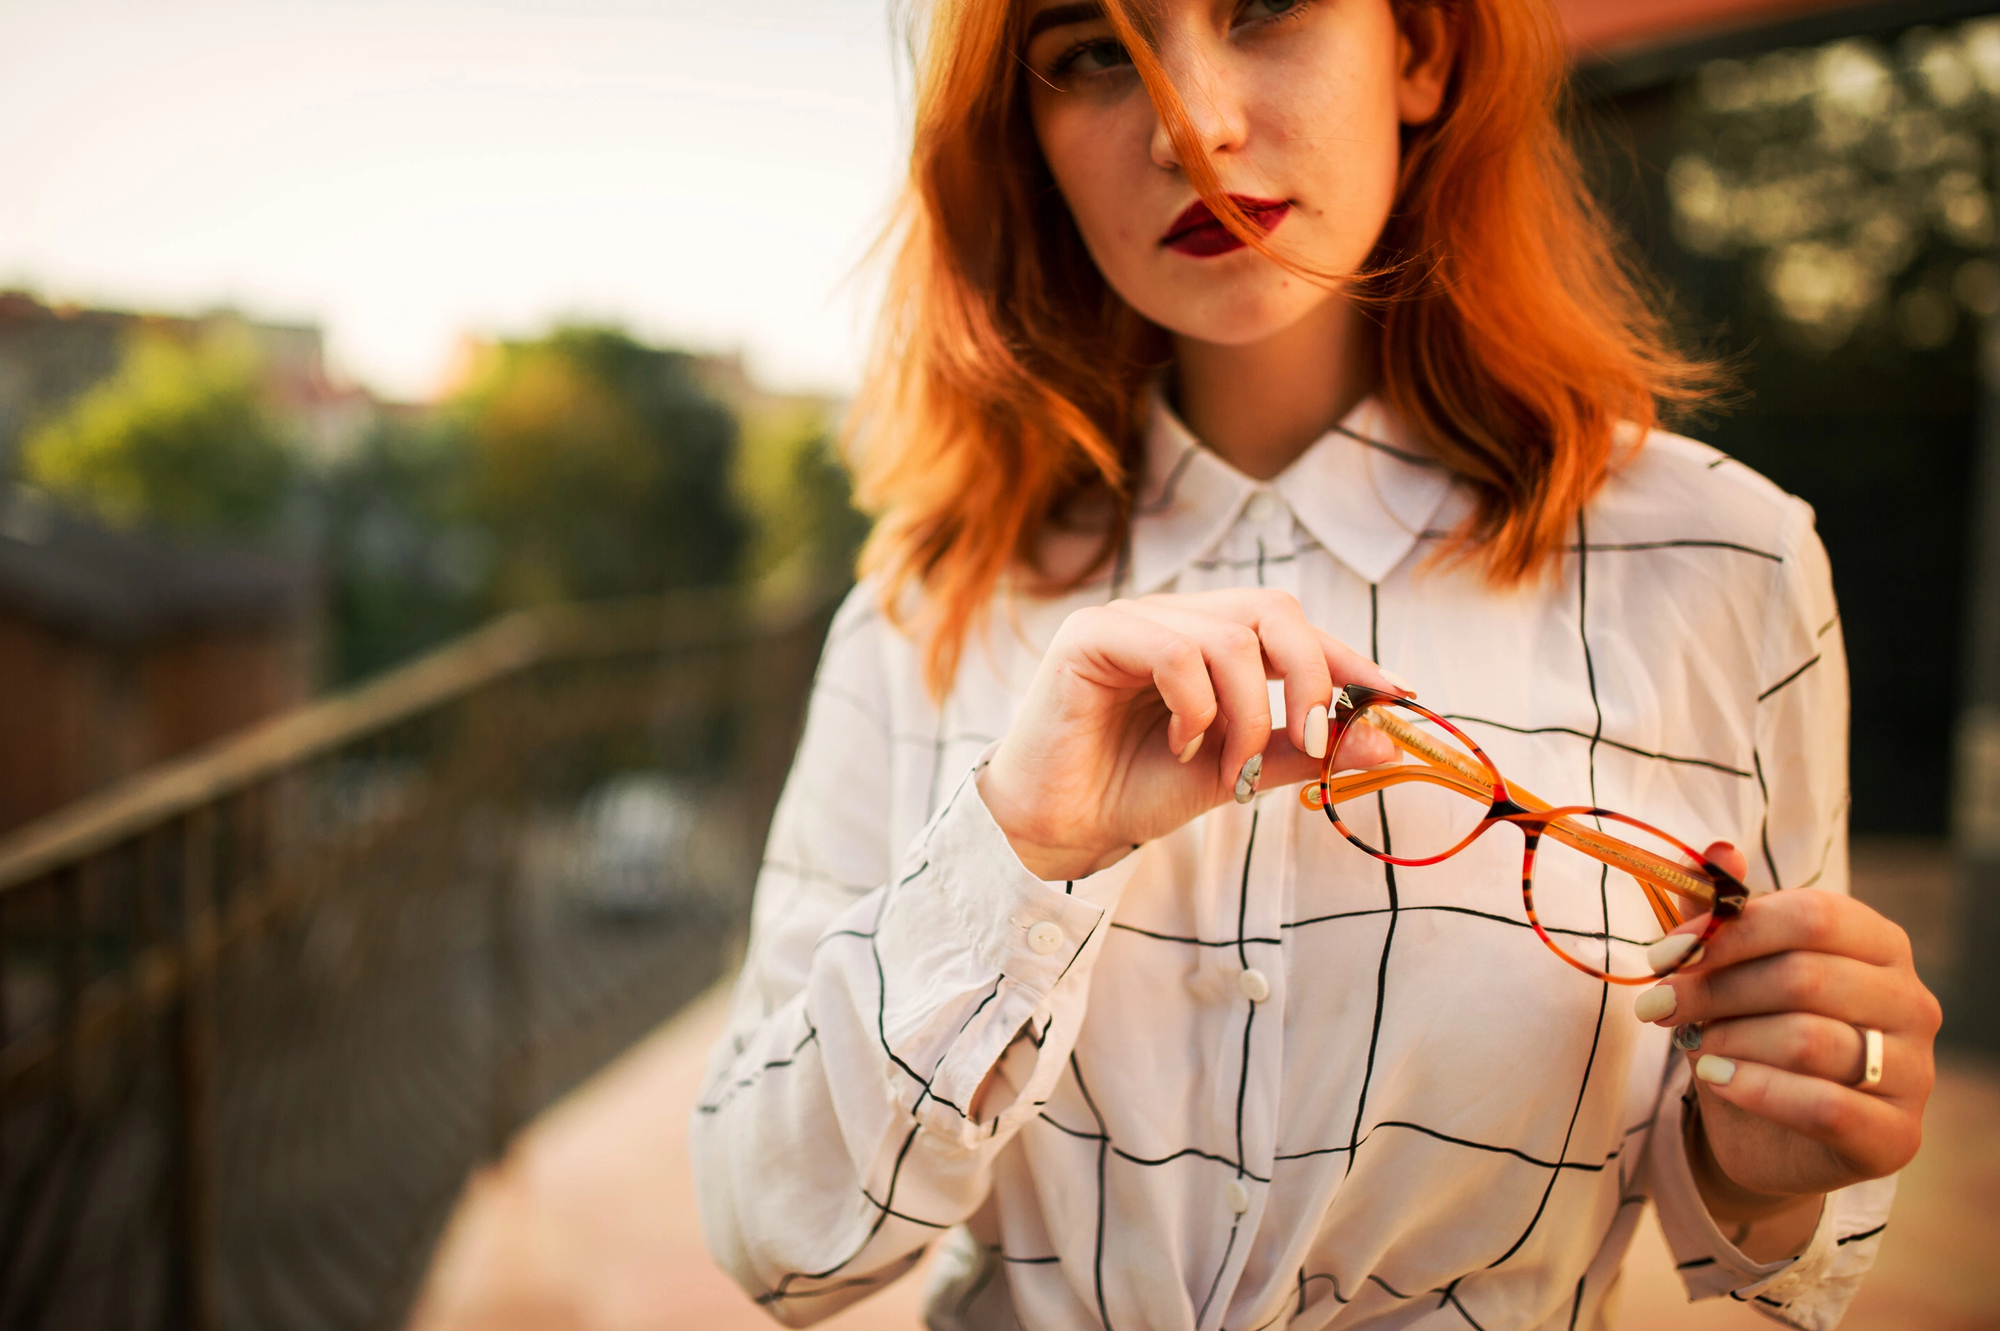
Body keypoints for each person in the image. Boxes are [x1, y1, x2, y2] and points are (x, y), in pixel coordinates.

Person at [692, 0, 1940, 1326]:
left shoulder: (1723, 565)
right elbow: (780, 1240)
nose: (1195, 126)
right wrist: (1015, 853)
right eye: (1096, 52)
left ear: (1421, 49)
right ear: (1027, 136)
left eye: (1265, 8)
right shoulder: (921, 614)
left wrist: (1769, 1157)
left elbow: (1779, 1248)